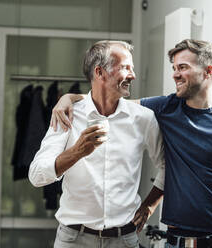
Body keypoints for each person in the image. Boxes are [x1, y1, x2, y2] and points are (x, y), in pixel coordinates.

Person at [50, 39, 212, 248]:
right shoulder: (166, 107)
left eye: (183, 67)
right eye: (174, 68)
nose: (175, 74)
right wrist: (69, 98)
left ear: (208, 71)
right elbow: (110, 101)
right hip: (175, 240)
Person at [28, 40, 165, 248]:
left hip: (125, 240)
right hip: (73, 240)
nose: (133, 75)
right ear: (100, 72)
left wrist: (149, 205)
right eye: (126, 68)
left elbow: (167, 166)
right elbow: (37, 175)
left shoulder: (143, 118)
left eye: (133, 68)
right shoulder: (67, 115)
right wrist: (77, 152)